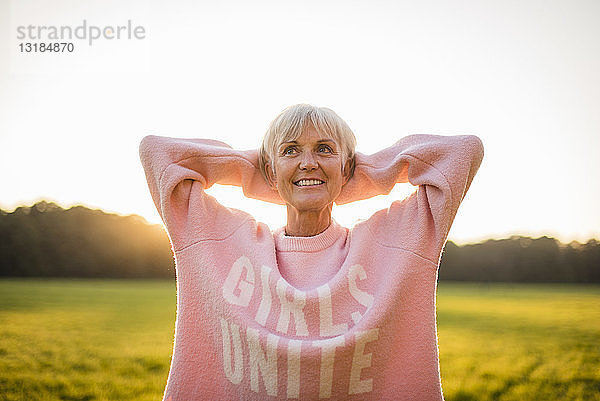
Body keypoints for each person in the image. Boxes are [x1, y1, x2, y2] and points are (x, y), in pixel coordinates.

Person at [139, 104, 484, 401]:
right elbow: (157, 153)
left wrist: (349, 178)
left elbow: (463, 151)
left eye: (324, 149)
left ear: (348, 167)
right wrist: (263, 172)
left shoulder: (394, 242)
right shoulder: (220, 239)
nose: (308, 162)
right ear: (269, 170)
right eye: (290, 150)